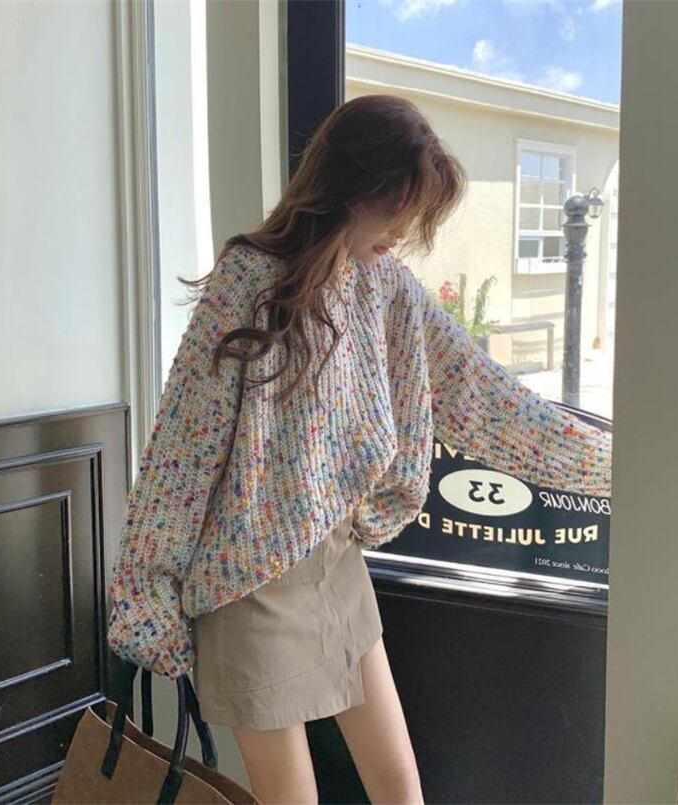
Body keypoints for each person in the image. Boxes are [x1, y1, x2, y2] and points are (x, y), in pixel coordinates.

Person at [106, 94, 612, 804]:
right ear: (347, 185)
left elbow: (484, 396)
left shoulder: (386, 287)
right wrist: (148, 592)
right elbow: (185, 453)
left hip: (340, 567)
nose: (405, 230)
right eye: (397, 206)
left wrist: (612, 466)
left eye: (417, 212)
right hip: (247, 586)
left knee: (400, 785)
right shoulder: (248, 280)